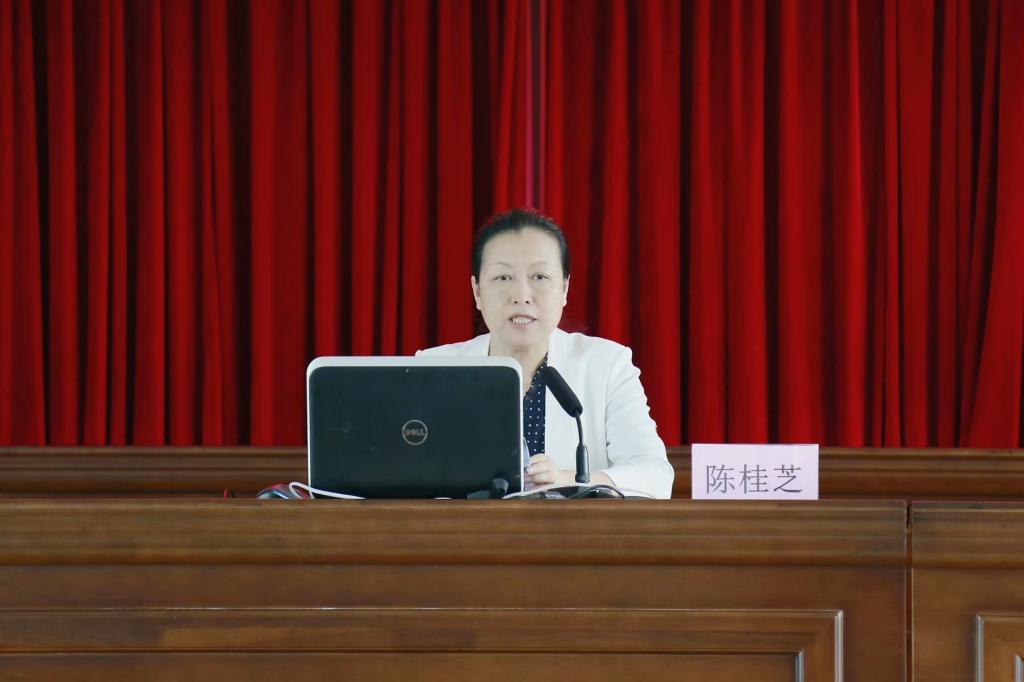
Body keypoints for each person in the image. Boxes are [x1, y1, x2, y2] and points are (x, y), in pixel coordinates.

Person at [418, 208, 674, 499]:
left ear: (564, 288)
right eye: (503, 277)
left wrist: (570, 479)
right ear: (477, 291)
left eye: (539, 276)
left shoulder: (606, 365)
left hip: (571, 529)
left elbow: (656, 476)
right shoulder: (433, 368)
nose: (521, 295)